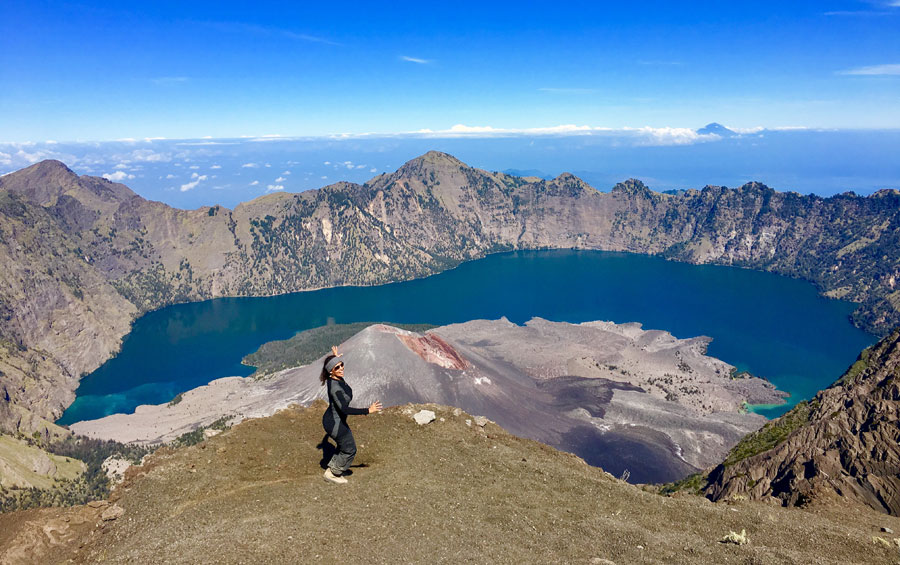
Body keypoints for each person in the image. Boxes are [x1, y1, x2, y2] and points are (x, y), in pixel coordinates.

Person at [321, 345, 382, 484]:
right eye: (337, 367)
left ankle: (333, 467)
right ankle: (333, 473)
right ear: (331, 372)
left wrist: (335, 358)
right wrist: (368, 410)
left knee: (344, 445)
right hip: (335, 423)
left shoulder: (334, 378)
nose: (341, 368)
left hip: (333, 419)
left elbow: (333, 367)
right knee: (350, 449)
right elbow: (344, 409)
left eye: (341, 365)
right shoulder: (335, 388)